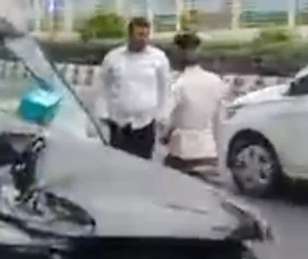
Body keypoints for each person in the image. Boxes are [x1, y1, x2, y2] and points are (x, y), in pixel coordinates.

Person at [95, 16, 171, 159]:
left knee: (142, 165)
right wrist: (102, 113)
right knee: (118, 164)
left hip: (145, 124)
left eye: (146, 35)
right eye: (139, 35)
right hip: (118, 124)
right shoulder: (113, 57)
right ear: (130, 35)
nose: (143, 39)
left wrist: (163, 117)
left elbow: (165, 89)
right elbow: (102, 86)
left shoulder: (158, 58)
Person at [162, 31, 227, 178]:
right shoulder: (216, 81)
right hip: (209, 150)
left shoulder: (178, 84)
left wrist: (165, 134)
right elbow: (220, 119)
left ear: (179, 52)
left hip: (182, 152)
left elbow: (165, 119)